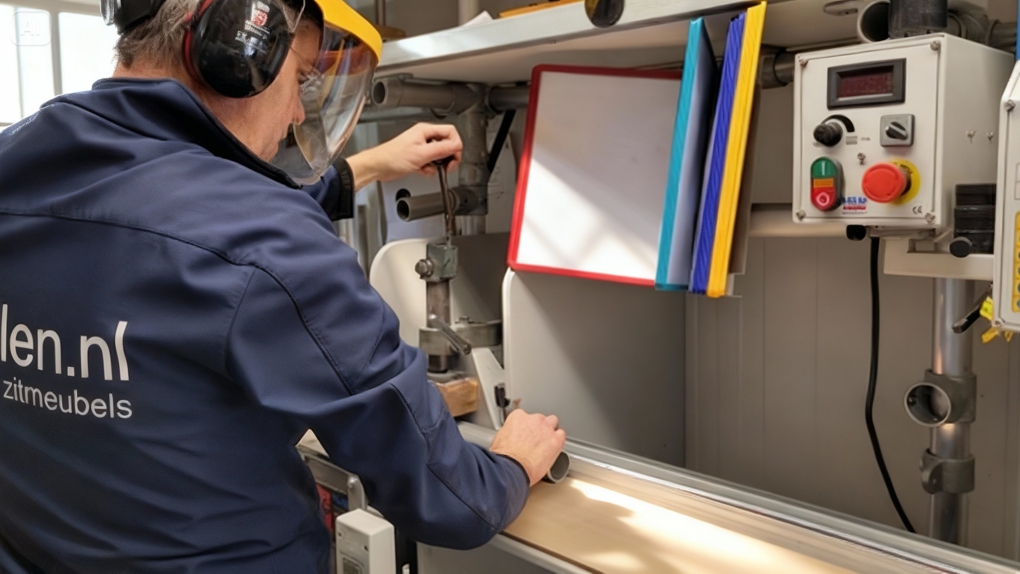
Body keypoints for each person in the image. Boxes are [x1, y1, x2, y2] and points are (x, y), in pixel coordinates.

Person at [0, 0, 566, 572]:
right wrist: (511, 465)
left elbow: (177, 215)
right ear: (239, 47)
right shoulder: (267, 234)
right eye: (299, 79)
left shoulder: (17, 160)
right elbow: (453, 502)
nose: (298, 112)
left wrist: (365, 168)